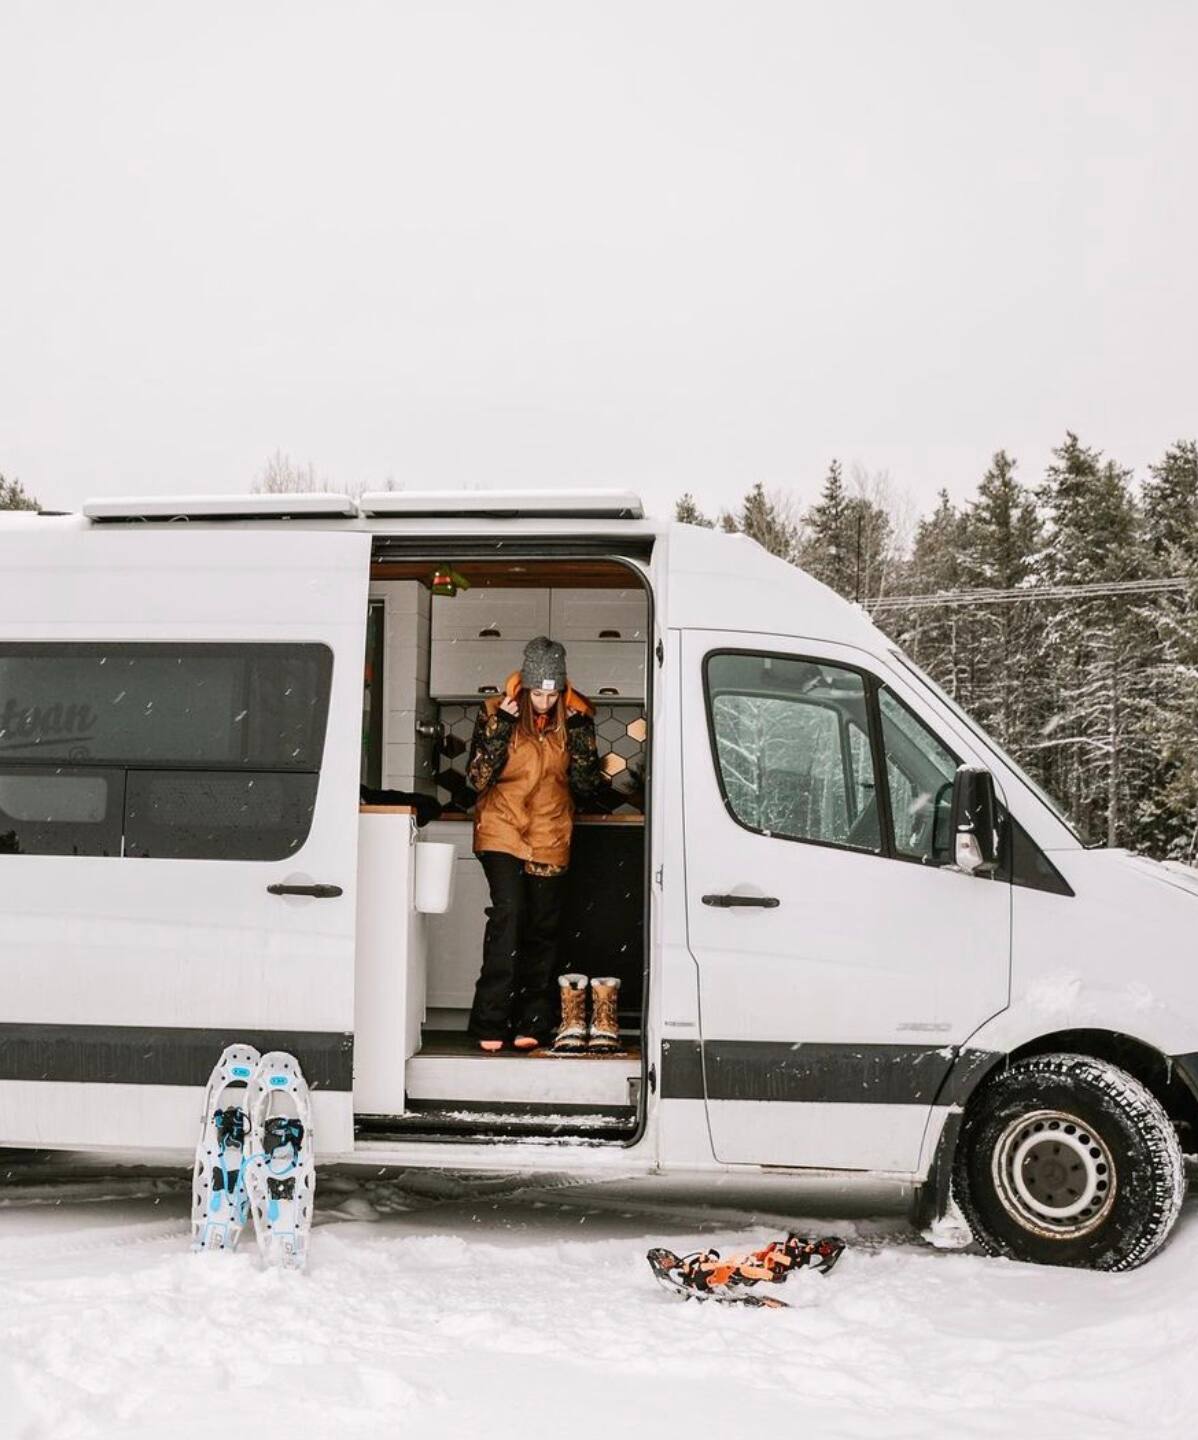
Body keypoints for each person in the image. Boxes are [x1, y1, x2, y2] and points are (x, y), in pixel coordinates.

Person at [465, 636, 601, 1052]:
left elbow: (587, 788)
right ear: (524, 688)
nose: (544, 703)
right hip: (501, 829)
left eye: (551, 695)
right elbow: (476, 779)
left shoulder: (576, 718)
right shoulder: (494, 712)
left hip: (550, 832)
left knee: (542, 927)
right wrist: (502, 728)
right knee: (509, 916)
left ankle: (533, 1022)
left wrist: (579, 736)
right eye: (537, 694)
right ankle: (490, 1021)